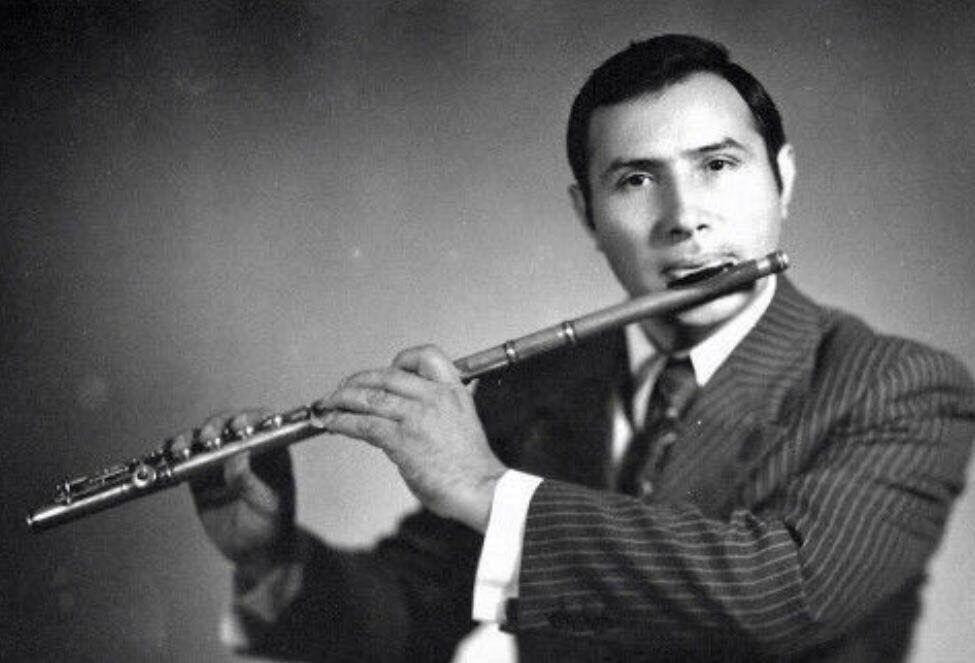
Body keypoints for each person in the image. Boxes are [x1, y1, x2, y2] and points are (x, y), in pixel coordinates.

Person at [173, 35, 975, 661]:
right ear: (586, 212)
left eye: (717, 165)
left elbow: (778, 594)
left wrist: (486, 488)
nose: (684, 217)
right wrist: (272, 558)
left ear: (782, 178)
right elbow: (414, 614)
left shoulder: (899, 384)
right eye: (635, 180)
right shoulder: (538, 387)